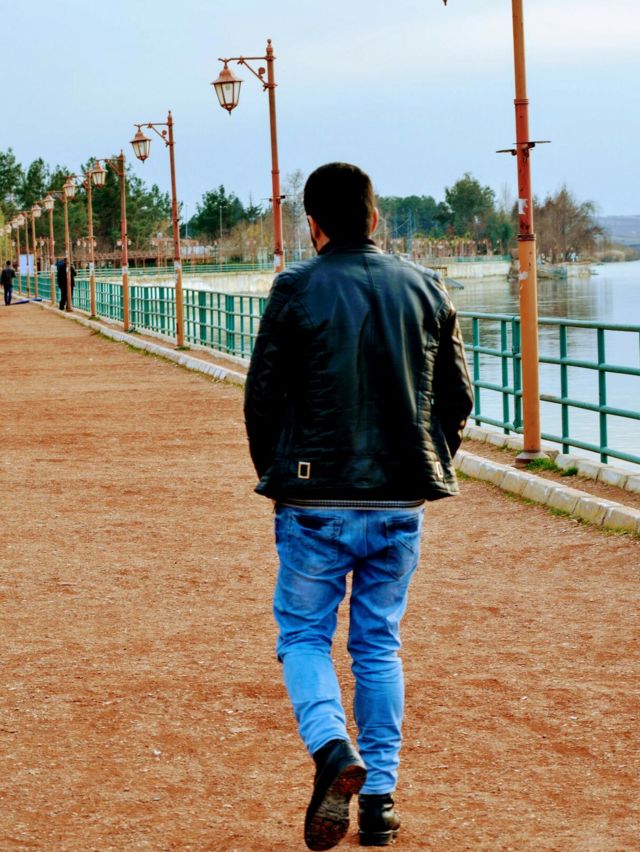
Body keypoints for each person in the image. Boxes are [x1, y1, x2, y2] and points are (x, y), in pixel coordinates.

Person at [244, 162, 474, 850]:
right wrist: (426, 463)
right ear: (374, 218)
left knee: (304, 636)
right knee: (378, 643)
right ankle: (378, 804)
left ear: (312, 224)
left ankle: (332, 747)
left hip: (314, 496)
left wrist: (283, 477)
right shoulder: (426, 285)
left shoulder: (296, 287)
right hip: (400, 499)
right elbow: (457, 398)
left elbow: (262, 399)